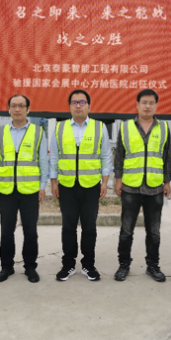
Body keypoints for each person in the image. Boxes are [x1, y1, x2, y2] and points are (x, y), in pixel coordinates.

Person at [50, 89, 112, 281]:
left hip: (91, 185)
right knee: (68, 227)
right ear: (69, 106)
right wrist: (53, 182)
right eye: (74, 102)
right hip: (67, 185)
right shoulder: (60, 128)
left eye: (82, 102)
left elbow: (106, 155)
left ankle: (88, 265)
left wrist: (105, 182)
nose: (78, 105)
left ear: (89, 106)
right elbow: (54, 156)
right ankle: (68, 265)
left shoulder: (99, 127)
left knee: (89, 227)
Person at [113, 89, 171, 282]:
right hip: (131, 186)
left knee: (154, 232)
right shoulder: (126, 127)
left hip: (155, 187)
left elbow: (167, 156)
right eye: (144, 102)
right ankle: (123, 265)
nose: (147, 106)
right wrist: (118, 180)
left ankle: (153, 266)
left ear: (156, 105)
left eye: (151, 103)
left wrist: (167, 181)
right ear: (137, 105)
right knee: (126, 231)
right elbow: (119, 155)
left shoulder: (163, 128)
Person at [0, 94, 48, 283]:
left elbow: (43, 161)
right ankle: (6, 267)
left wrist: (42, 186)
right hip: (7, 190)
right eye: (14, 105)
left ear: (27, 109)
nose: (17, 109)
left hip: (30, 190)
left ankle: (30, 267)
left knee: (30, 231)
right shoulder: (1, 132)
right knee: (6, 231)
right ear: (9, 109)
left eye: (21, 106)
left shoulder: (38, 132)